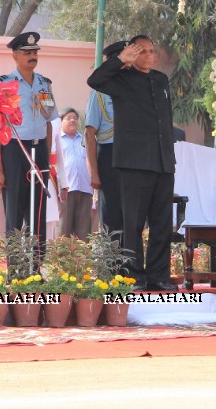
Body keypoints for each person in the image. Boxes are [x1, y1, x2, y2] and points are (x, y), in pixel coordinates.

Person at [87, 35, 177, 291]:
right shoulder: (120, 80)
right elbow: (94, 80)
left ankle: (159, 276)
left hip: (162, 160)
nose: (149, 56)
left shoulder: (160, 80)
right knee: (133, 223)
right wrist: (118, 60)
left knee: (161, 222)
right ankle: (134, 276)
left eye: (151, 51)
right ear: (132, 55)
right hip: (133, 162)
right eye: (143, 52)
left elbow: (164, 119)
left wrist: (169, 155)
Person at [0, 32, 57, 250]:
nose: (32, 56)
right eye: (27, 52)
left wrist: (46, 158)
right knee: (15, 210)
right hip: (14, 150)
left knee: (38, 210)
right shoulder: (4, 84)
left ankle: (36, 267)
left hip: (39, 150)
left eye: (35, 52)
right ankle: (16, 268)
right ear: (15, 56)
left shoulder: (43, 83)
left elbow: (49, 121)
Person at [86, 41, 124, 236]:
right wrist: (94, 172)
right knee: (110, 215)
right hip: (108, 155)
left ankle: (129, 264)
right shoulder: (99, 92)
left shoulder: (134, 88)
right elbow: (90, 134)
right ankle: (110, 263)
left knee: (130, 215)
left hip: (131, 155)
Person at [58, 108, 93, 240]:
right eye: (68, 118)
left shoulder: (85, 139)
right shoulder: (58, 140)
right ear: (61, 121)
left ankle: (82, 260)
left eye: (75, 117)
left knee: (83, 232)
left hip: (85, 189)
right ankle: (61, 260)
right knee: (63, 230)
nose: (73, 120)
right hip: (66, 190)